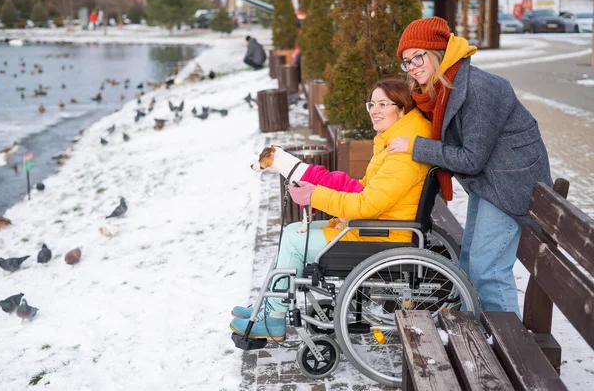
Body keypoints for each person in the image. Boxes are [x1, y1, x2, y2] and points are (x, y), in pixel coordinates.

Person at [230, 79, 433, 341]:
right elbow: (365, 190)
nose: (374, 110)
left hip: (382, 237)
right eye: (372, 104)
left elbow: (366, 205)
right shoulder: (395, 143)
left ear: (403, 109)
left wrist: (316, 195)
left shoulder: (402, 155)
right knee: (293, 230)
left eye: (383, 104)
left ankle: (274, 318)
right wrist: (320, 183)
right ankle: (269, 303)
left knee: (293, 241)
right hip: (377, 229)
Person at [389, 17, 552, 318]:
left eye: (417, 56)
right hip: (490, 181)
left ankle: (509, 349)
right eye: (406, 61)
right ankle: (470, 330)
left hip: (511, 185)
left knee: (488, 270)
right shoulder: (441, 89)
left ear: (437, 52)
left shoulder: (478, 89)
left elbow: (471, 159)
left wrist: (416, 147)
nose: (411, 66)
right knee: (468, 263)